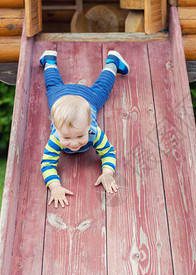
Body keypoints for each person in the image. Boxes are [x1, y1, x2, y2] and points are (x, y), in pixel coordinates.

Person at [39, 49, 129, 208]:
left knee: (102, 90)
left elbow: (108, 152)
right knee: (52, 86)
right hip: (60, 98)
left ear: (90, 125)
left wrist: (107, 173)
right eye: (66, 138)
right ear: (58, 131)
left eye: (80, 136)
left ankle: (113, 63)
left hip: (87, 99)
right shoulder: (55, 138)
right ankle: (49, 61)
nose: (73, 144)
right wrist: (55, 186)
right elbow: (47, 164)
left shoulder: (94, 132)